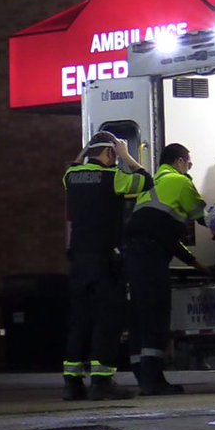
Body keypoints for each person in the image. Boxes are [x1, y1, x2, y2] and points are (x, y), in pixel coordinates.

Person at [61, 132, 153, 401]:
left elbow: (73, 166)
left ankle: (72, 383)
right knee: (107, 320)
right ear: (110, 154)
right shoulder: (113, 177)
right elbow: (145, 182)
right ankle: (101, 381)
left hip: (78, 261)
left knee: (79, 320)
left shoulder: (71, 178)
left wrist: (87, 150)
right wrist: (127, 156)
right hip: (104, 261)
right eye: (114, 154)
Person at [121, 143, 205, 395]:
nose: (189, 168)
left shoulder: (151, 186)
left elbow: (166, 238)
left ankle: (142, 375)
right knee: (155, 315)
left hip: (133, 256)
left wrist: (196, 264)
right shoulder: (179, 182)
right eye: (189, 163)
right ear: (180, 162)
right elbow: (203, 214)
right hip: (150, 257)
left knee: (138, 315)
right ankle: (153, 380)